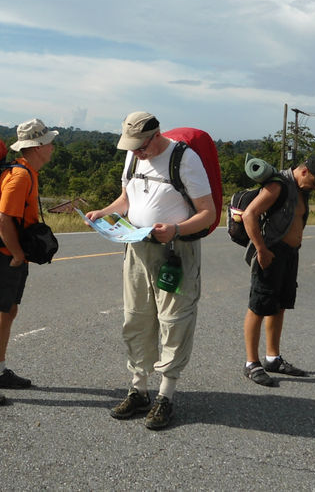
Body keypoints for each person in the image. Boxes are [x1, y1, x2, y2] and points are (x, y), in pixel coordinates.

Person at [86, 111, 215, 430]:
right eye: (132, 147)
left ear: (156, 136)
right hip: (137, 248)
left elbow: (209, 213)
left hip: (175, 251)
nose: (136, 152)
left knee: (174, 320)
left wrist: (176, 229)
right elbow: (126, 199)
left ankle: (166, 395)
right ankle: (138, 389)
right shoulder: (132, 158)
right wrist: (104, 212)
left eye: (141, 146)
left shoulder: (185, 159)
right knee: (136, 318)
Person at [0, 118, 57, 405]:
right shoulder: (20, 176)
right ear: (38, 146)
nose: (53, 147)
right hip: (5, 255)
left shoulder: (27, 171)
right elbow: (2, 219)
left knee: (9, 310)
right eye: (49, 142)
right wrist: (17, 254)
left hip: (14, 254)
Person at [241, 155, 315, 387]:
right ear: (304, 171)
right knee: (258, 306)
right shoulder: (278, 185)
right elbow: (249, 214)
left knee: (279, 305)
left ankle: (273, 358)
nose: (314, 187)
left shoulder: (302, 190)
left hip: (290, 254)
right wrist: (261, 250)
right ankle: (251, 363)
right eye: (313, 181)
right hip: (271, 252)